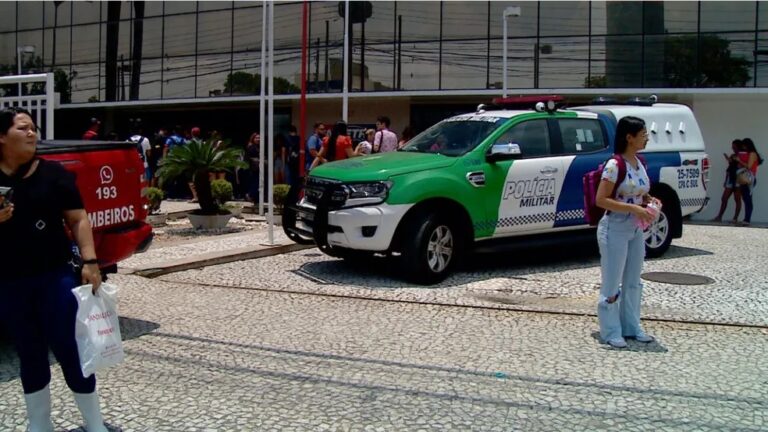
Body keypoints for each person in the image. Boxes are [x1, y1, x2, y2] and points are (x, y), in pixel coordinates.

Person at [0, 107, 109, 432]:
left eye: (33, 128)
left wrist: (90, 262)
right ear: (2, 137)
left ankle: (94, 423)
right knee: (28, 351)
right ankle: (39, 424)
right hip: (8, 281)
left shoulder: (54, 174)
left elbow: (78, 218)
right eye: (23, 128)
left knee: (69, 347)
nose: (32, 133)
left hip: (54, 276)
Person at [595, 116, 659, 349]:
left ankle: (631, 326)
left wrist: (648, 201)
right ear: (629, 137)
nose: (646, 138)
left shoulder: (639, 163)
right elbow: (601, 200)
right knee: (612, 281)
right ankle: (611, 330)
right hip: (615, 227)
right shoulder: (614, 166)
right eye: (642, 134)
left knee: (633, 280)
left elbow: (640, 192)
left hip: (635, 228)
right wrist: (633, 208)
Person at [711, 139, 743, 223]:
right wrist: (726, 180)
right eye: (732, 147)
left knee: (737, 199)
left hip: (738, 179)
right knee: (724, 198)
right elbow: (729, 169)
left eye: (734, 147)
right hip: (731, 178)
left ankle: (735, 218)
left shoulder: (742, 156)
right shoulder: (733, 156)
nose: (733, 148)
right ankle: (719, 217)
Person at [736, 138, 763, 226]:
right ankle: (746, 219)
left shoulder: (752, 154)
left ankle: (747, 219)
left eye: (744, 145)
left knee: (748, 199)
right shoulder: (749, 153)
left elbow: (749, 166)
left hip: (749, 178)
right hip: (746, 179)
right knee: (745, 198)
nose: (743, 147)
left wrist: (739, 160)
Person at [246, 132, 262, 204]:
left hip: (258, 168)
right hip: (253, 169)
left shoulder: (259, 147)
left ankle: (254, 198)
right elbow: (248, 158)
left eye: (259, 138)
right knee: (254, 183)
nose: (258, 139)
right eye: (256, 138)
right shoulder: (251, 147)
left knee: (257, 183)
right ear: (253, 139)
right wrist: (257, 160)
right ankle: (249, 195)